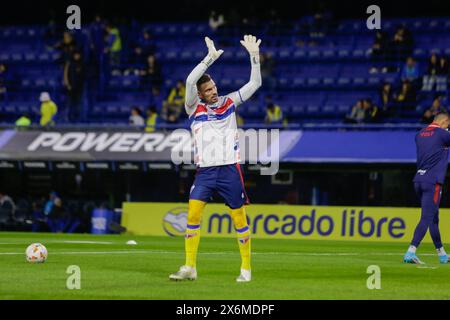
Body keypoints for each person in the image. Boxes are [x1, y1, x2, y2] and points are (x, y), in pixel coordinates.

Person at [169, 35, 262, 283]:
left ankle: (246, 269)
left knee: (239, 218)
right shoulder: (194, 108)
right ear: (199, 94)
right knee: (192, 216)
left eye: (214, 87)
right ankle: (190, 267)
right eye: (208, 90)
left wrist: (254, 56)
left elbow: (255, 83)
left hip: (230, 169)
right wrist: (209, 58)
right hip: (206, 172)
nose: (214, 91)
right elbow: (190, 80)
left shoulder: (229, 102)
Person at [404, 112, 450, 265]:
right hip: (432, 182)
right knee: (426, 218)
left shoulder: (419, 134)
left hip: (418, 179)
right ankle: (411, 252)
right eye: (447, 125)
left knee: (433, 219)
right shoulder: (442, 134)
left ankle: (442, 254)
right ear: (444, 121)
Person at [63, 50, 85, 122]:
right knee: (69, 103)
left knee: (78, 103)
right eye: (76, 55)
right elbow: (66, 74)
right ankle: (68, 117)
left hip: (79, 87)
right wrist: (67, 84)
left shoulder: (81, 64)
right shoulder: (70, 64)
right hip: (70, 87)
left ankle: (78, 118)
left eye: (78, 55)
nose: (77, 56)